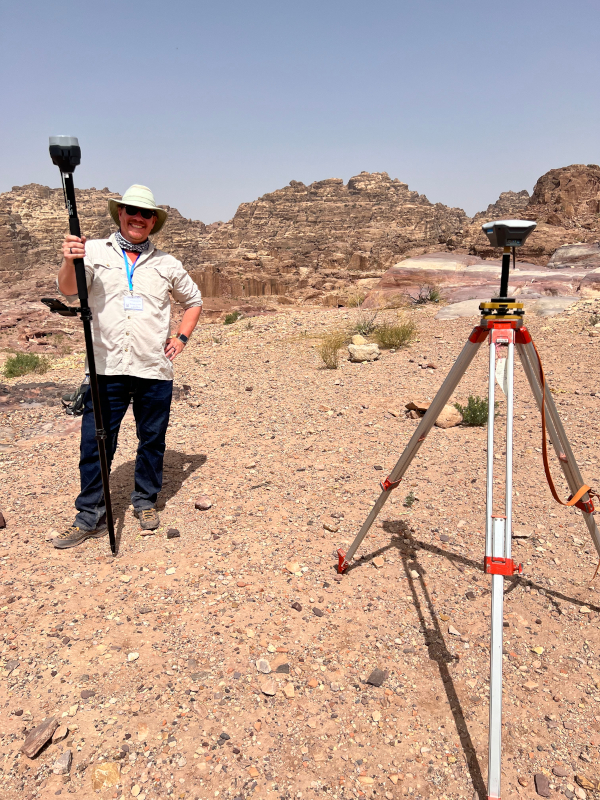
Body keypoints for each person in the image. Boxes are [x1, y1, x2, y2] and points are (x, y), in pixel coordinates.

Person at [53, 185, 203, 549]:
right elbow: (69, 289)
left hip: (153, 370)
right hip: (106, 368)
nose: (138, 218)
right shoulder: (92, 251)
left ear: (154, 221)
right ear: (119, 214)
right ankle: (91, 515)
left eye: (146, 214)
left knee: (152, 441)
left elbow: (194, 300)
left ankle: (145, 501)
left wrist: (181, 338)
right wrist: (69, 259)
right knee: (95, 445)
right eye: (131, 211)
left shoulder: (167, 264)